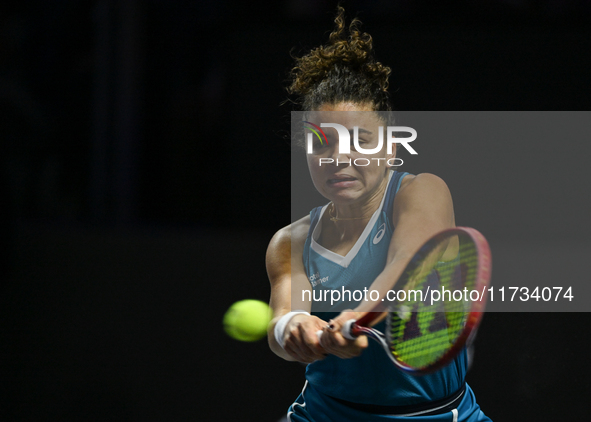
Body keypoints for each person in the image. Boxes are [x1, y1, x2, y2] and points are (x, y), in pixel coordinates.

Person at [266, 7, 491, 422]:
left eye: (361, 139)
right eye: (323, 143)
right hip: (324, 414)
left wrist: (358, 314)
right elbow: (283, 316)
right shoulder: (290, 241)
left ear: (389, 148)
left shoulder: (422, 191)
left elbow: (409, 260)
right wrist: (295, 329)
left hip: (437, 417)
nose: (340, 157)